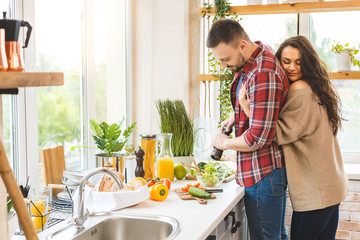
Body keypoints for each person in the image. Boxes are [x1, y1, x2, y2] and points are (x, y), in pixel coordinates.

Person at [239, 35, 349, 240]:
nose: (291, 68)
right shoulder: (316, 87)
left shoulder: (300, 90)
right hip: (331, 187)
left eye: (299, 62)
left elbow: (274, 131)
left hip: (317, 194)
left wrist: (246, 108)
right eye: (286, 61)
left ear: (308, 63)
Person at [209, 19, 289, 239]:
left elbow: (258, 138)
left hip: (263, 173)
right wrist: (237, 115)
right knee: (276, 235)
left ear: (242, 45)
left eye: (226, 59)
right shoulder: (254, 60)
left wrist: (224, 143)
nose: (224, 66)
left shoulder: (263, 72)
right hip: (260, 172)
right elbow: (262, 108)